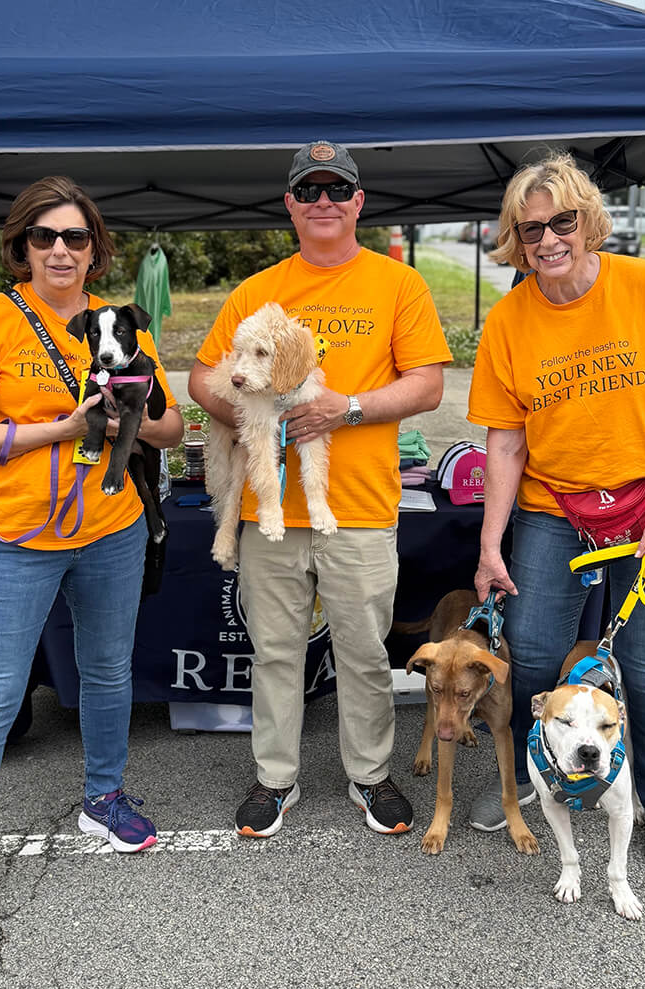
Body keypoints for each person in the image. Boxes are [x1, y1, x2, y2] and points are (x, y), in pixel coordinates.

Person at [0, 176, 185, 947]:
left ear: (96, 249)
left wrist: (137, 403)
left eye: (75, 238)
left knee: (108, 673)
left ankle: (103, 797)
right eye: (46, 238)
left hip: (111, 529)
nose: (61, 251)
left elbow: (167, 430)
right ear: (22, 246)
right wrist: (64, 427)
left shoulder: (123, 325)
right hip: (12, 539)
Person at [189, 140, 450, 839]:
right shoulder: (257, 291)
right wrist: (255, 419)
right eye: (310, 191)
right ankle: (275, 779)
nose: (325, 201)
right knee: (275, 651)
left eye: (338, 190)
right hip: (271, 510)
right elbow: (202, 378)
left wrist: (349, 408)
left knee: (364, 651)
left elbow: (427, 383)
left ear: (360, 202)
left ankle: (369, 774)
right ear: (291, 206)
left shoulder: (398, 285)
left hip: (359, 507)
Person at [467, 153, 645, 872]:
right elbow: (505, 443)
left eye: (561, 221)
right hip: (553, 508)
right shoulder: (509, 320)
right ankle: (525, 784)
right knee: (534, 654)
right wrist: (489, 545)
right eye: (530, 227)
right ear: (515, 237)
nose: (547, 240)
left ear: (587, 220)